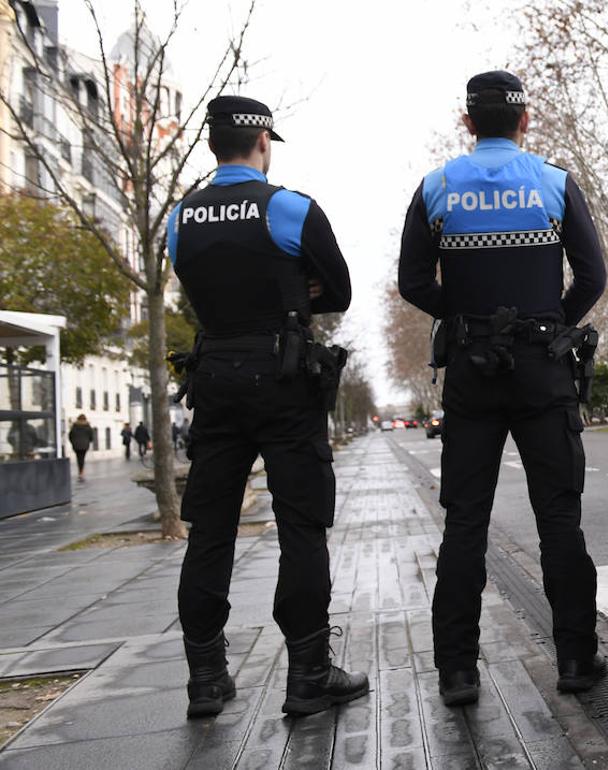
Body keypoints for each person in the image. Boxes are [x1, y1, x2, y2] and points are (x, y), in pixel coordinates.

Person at [398, 71, 608, 706]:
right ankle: (575, 657)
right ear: (525, 121)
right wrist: (551, 323)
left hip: (471, 370)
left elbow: (412, 281)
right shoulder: (552, 182)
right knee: (559, 518)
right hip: (543, 368)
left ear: (468, 123)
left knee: (465, 521)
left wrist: (461, 318)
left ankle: (458, 671)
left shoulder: (436, 187)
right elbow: (594, 276)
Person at [167, 95, 366, 719]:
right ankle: (308, 674)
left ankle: (206, 679)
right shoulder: (288, 207)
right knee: (301, 526)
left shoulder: (180, 218)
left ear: (211, 146)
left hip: (217, 379)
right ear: (262, 142)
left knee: (211, 532)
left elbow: (195, 280)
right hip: (283, 380)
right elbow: (338, 289)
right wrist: (295, 283)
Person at [68, 414, 93, 482]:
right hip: (84, 445)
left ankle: (80, 471)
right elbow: (91, 436)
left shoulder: (74, 426)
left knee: (79, 458)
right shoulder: (88, 426)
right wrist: (88, 441)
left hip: (76, 445)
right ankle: (81, 472)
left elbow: (70, 435)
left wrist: (73, 442)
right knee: (82, 458)